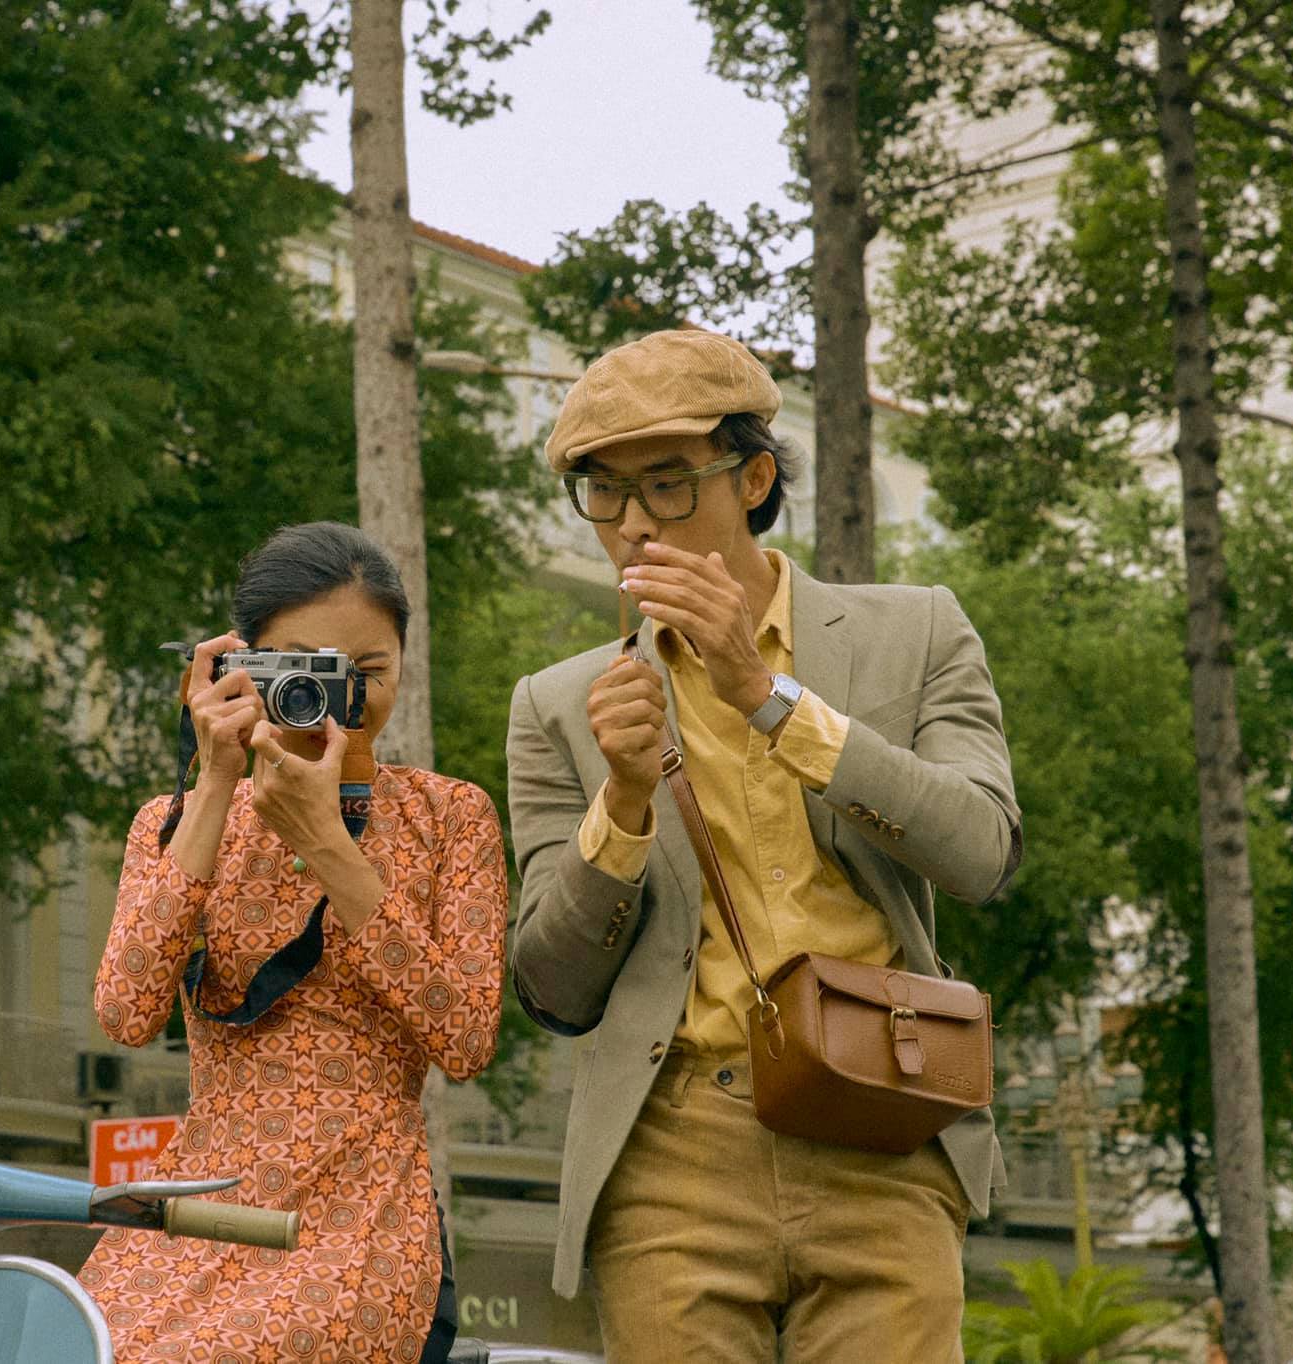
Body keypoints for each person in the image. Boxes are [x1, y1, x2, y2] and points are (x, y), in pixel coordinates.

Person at [506, 330, 1021, 1361]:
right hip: (672, 1153)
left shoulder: (915, 631)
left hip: (883, 1119)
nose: (633, 524)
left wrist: (768, 696)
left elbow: (980, 852)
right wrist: (623, 801)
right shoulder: (559, 704)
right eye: (602, 492)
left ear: (752, 477)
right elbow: (552, 987)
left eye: (666, 484)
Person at [81, 521, 508, 1364]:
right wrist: (216, 780)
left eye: (367, 673)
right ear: (240, 666)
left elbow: (465, 1039)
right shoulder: (172, 821)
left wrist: (329, 846)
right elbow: (126, 1015)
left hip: (363, 1211)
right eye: (304, 668)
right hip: (203, 1199)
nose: (337, 698)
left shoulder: (450, 816)